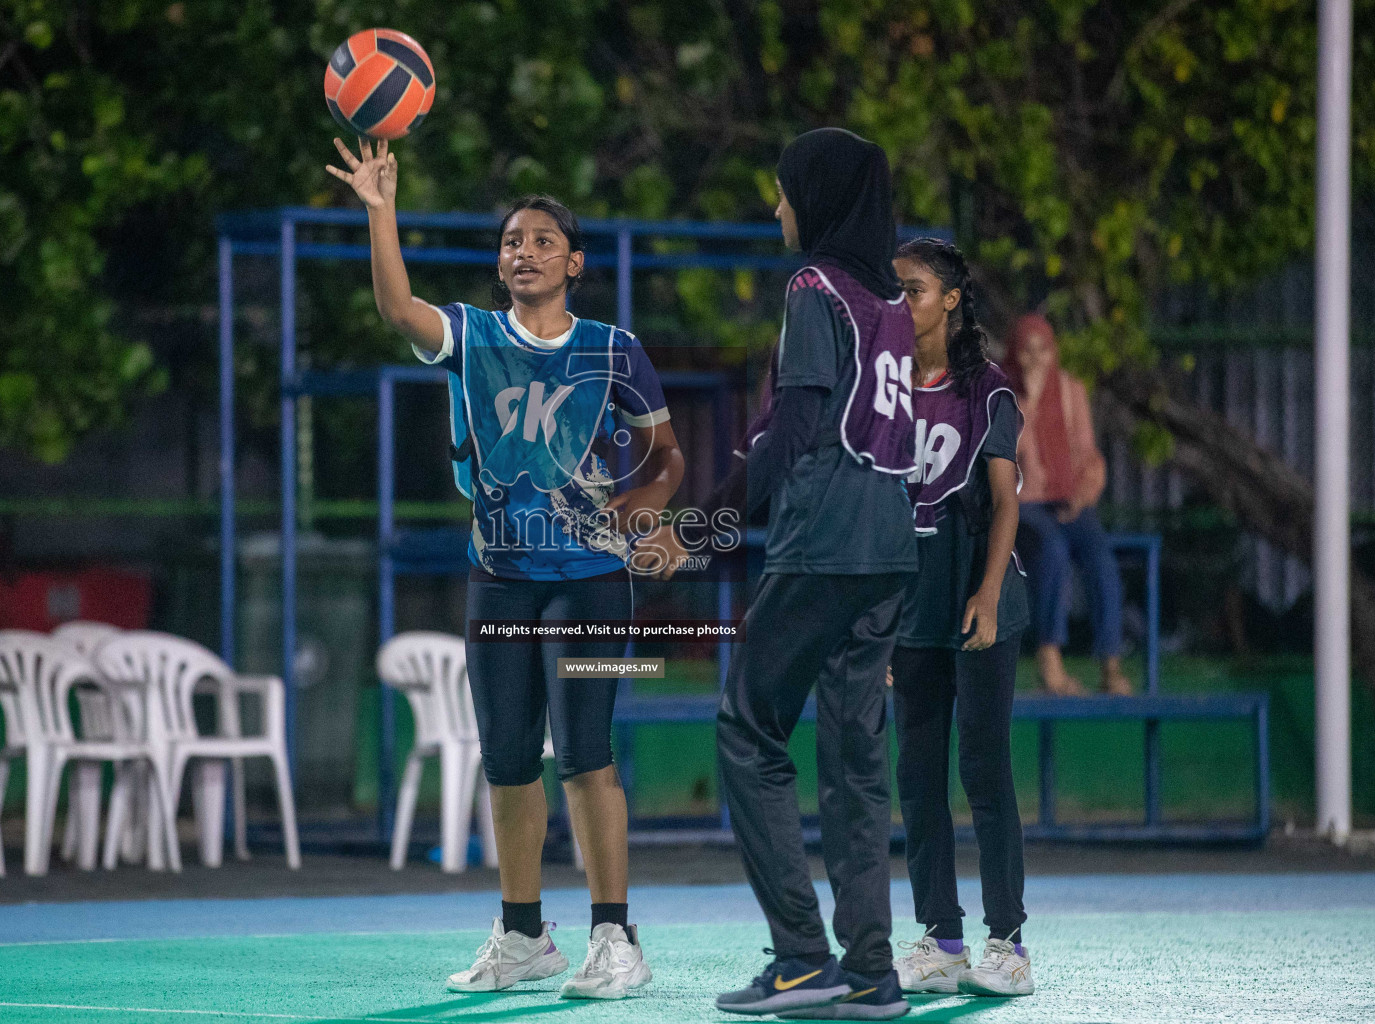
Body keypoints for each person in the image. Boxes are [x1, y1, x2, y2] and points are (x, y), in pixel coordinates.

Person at [327, 137, 683, 1000]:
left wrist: (654, 505)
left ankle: (615, 937)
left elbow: (665, 455)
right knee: (509, 758)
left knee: (586, 753)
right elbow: (397, 308)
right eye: (512, 241)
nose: (521, 251)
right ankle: (523, 935)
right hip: (500, 576)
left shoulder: (613, 349)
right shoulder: (473, 336)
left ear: (575, 262)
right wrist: (381, 209)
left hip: (593, 579)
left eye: (540, 241)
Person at [652, 128, 916, 1021]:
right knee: (853, 760)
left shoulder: (814, 288)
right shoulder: (891, 302)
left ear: (819, 195)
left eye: (783, 191)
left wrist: (705, 527)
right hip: (889, 548)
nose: (776, 208)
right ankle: (872, 970)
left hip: (825, 543)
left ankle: (804, 957)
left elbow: (794, 430)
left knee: (748, 728)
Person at [888, 239, 1034, 998]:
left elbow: (1007, 500)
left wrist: (984, 592)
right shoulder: (878, 392)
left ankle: (1007, 942)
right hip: (910, 603)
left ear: (949, 299)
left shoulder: (988, 391)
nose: (898, 301)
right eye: (892, 290)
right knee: (916, 777)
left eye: (911, 289)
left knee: (982, 766)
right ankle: (940, 941)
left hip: (979, 595)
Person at [1004, 314, 1133, 696]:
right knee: (1052, 552)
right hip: (1025, 504)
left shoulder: (1072, 390)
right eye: (1027, 351)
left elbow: (1088, 454)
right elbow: (1007, 458)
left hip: (1069, 502)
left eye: (1043, 350)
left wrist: (1082, 494)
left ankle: (1110, 664)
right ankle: (1050, 662)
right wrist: (1029, 401)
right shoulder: (1003, 394)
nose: (1036, 358)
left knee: (1101, 558)